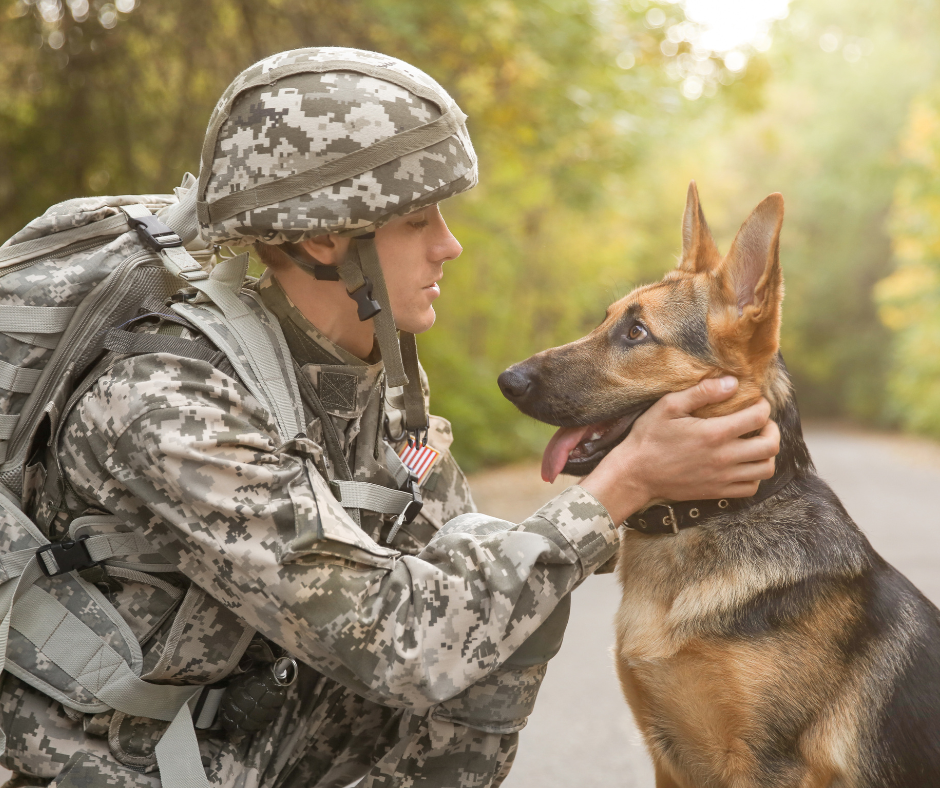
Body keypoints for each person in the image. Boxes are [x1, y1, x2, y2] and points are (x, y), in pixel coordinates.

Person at [1, 47, 779, 787]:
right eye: (416, 222)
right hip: (118, 762)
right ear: (321, 239)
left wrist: (678, 479)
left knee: (507, 602)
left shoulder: (359, 368)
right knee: (481, 613)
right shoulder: (169, 401)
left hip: (245, 736)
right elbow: (399, 640)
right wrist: (624, 484)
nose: (451, 246)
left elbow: (461, 565)